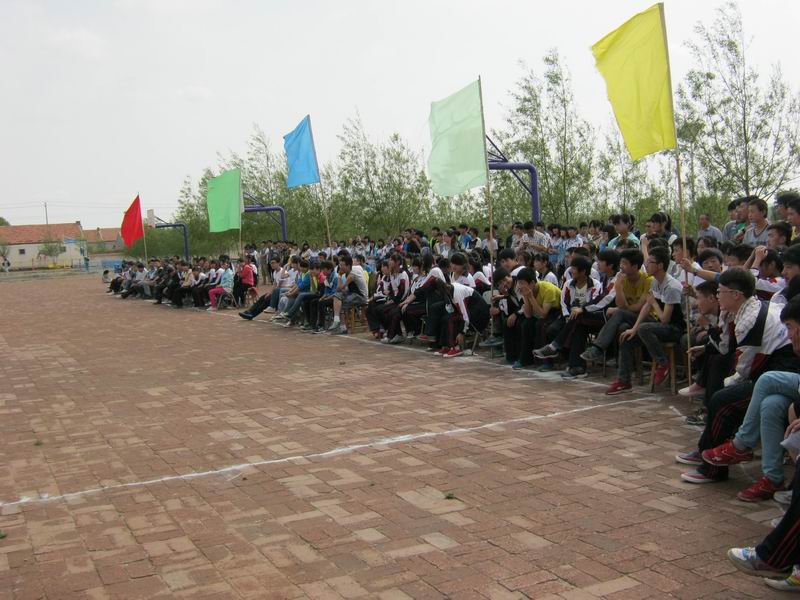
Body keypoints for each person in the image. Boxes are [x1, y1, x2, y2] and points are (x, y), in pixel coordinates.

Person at [605, 247, 684, 395]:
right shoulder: (655, 282)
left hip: (674, 328)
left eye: (650, 262)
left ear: (660, 265)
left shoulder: (671, 287)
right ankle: (624, 381)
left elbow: (665, 319)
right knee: (626, 336)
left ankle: (663, 363)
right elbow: (646, 307)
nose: (646, 265)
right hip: (658, 326)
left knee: (644, 328)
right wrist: (633, 329)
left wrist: (654, 303)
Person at [580, 249, 652, 364]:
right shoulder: (622, 278)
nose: (621, 266)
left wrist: (619, 309)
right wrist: (618, 287)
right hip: (630, 318)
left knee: (619, 313)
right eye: (621, 263)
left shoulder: (648, 280)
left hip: (647, 318)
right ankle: (624, 367)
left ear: (635, 266)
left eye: (625, 263)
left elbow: (638, 308)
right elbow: (621, 305)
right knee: (622, 327)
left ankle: (598, 348)